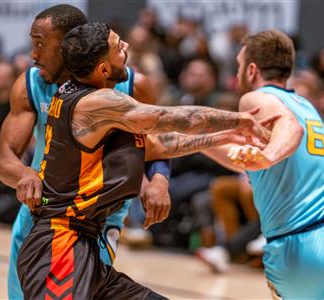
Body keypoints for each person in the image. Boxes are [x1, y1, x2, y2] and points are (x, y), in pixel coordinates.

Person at [16, 22, 271, 299]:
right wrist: (241, 119)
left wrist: (227, 135)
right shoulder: (94, 103)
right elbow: (174, 119)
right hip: (59, 245)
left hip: (83, 243)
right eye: (117, 46)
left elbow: (160, 145)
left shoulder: (102, 110)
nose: (126, 46)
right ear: (103, 69)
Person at [0, 5, 171, 299]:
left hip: (95, 222)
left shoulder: (132, 85)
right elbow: (4, 159)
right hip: (41, 213)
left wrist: (159, 181)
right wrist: (24, 173)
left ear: (67, 47)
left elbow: (158, 143)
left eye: (39, 43)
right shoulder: (30, 85)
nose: (33, 54)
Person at [202, 29, 324, 299]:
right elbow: (255, 164)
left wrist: (268, 157)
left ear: (251, 70)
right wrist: (199, 141)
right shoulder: (306, 106)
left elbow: (290, 130)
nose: (236, 75)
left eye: (238, 66)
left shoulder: (255, 99)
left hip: (299, 252)